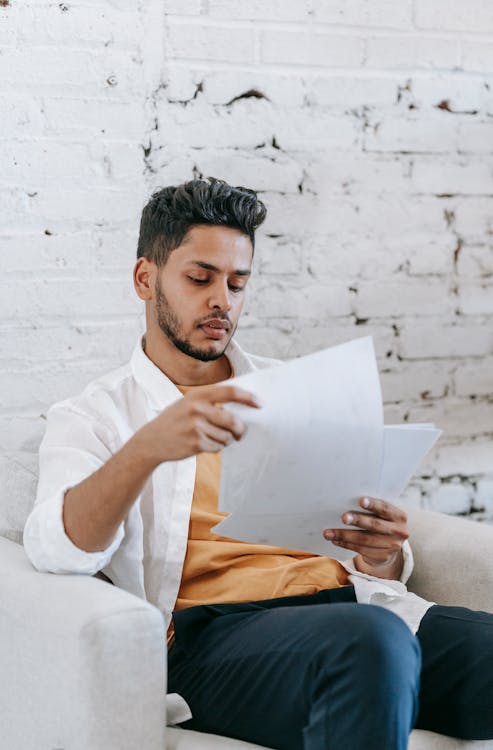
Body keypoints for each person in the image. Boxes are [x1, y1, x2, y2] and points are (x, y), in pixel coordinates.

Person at [24, 178, 493, 750]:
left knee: (399, 638)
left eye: (237, 283)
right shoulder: (97, 414)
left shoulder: (294, 390)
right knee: (370, 643)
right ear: (145, 279)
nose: (222, 299)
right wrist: (148, 446)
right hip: (214, 640)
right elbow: (56, 548)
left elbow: (354, 543)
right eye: (200, 279)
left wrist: (383, 554)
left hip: (352, 607)